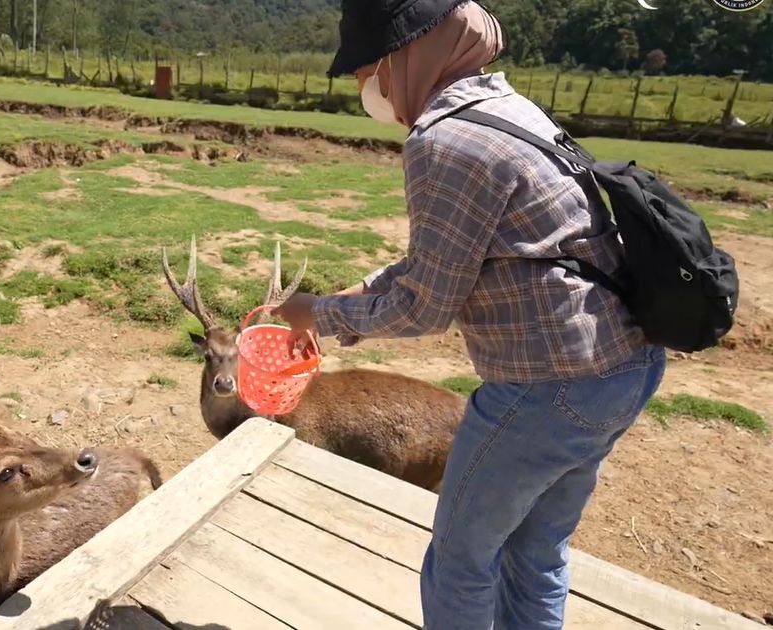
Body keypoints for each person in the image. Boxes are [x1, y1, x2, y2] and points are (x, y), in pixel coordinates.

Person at [272, 1, 666, 629]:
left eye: (365, 67)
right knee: (535, 552)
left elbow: (424, 306)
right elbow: (453, 256)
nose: (362, 85)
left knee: (459, 559)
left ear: (406, 55)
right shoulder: (503, 107)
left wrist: (313, 314)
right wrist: (352, 296)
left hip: (547, 387)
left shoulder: (443, 140)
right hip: (621, 368)